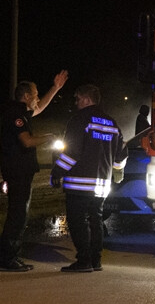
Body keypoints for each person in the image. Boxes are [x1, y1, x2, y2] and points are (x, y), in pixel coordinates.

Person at [0, 71, 68, 271]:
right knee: (17, 215)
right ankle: (7, 259)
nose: (37, 98)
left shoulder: (21, 112)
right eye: (35, 94)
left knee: (20, 214)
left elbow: (40, 107)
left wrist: (55, 88)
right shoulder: (15, 115)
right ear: (26, 96)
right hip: (17, 172)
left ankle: (11, 257)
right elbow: (26, 141)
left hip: (21, 172)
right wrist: (49, 137)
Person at [51, 83, 125, 272]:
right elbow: (121, 155)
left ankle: (83, 261)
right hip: (102, 184)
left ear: (86, 99)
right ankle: (95, 260)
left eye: (77, 99)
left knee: (78, 221)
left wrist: (57, 171)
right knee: (96, 220)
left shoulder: (80, 119)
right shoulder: (112, 123)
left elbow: (72, 152)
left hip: (79, 182)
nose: (76, 102)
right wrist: (117, 172)